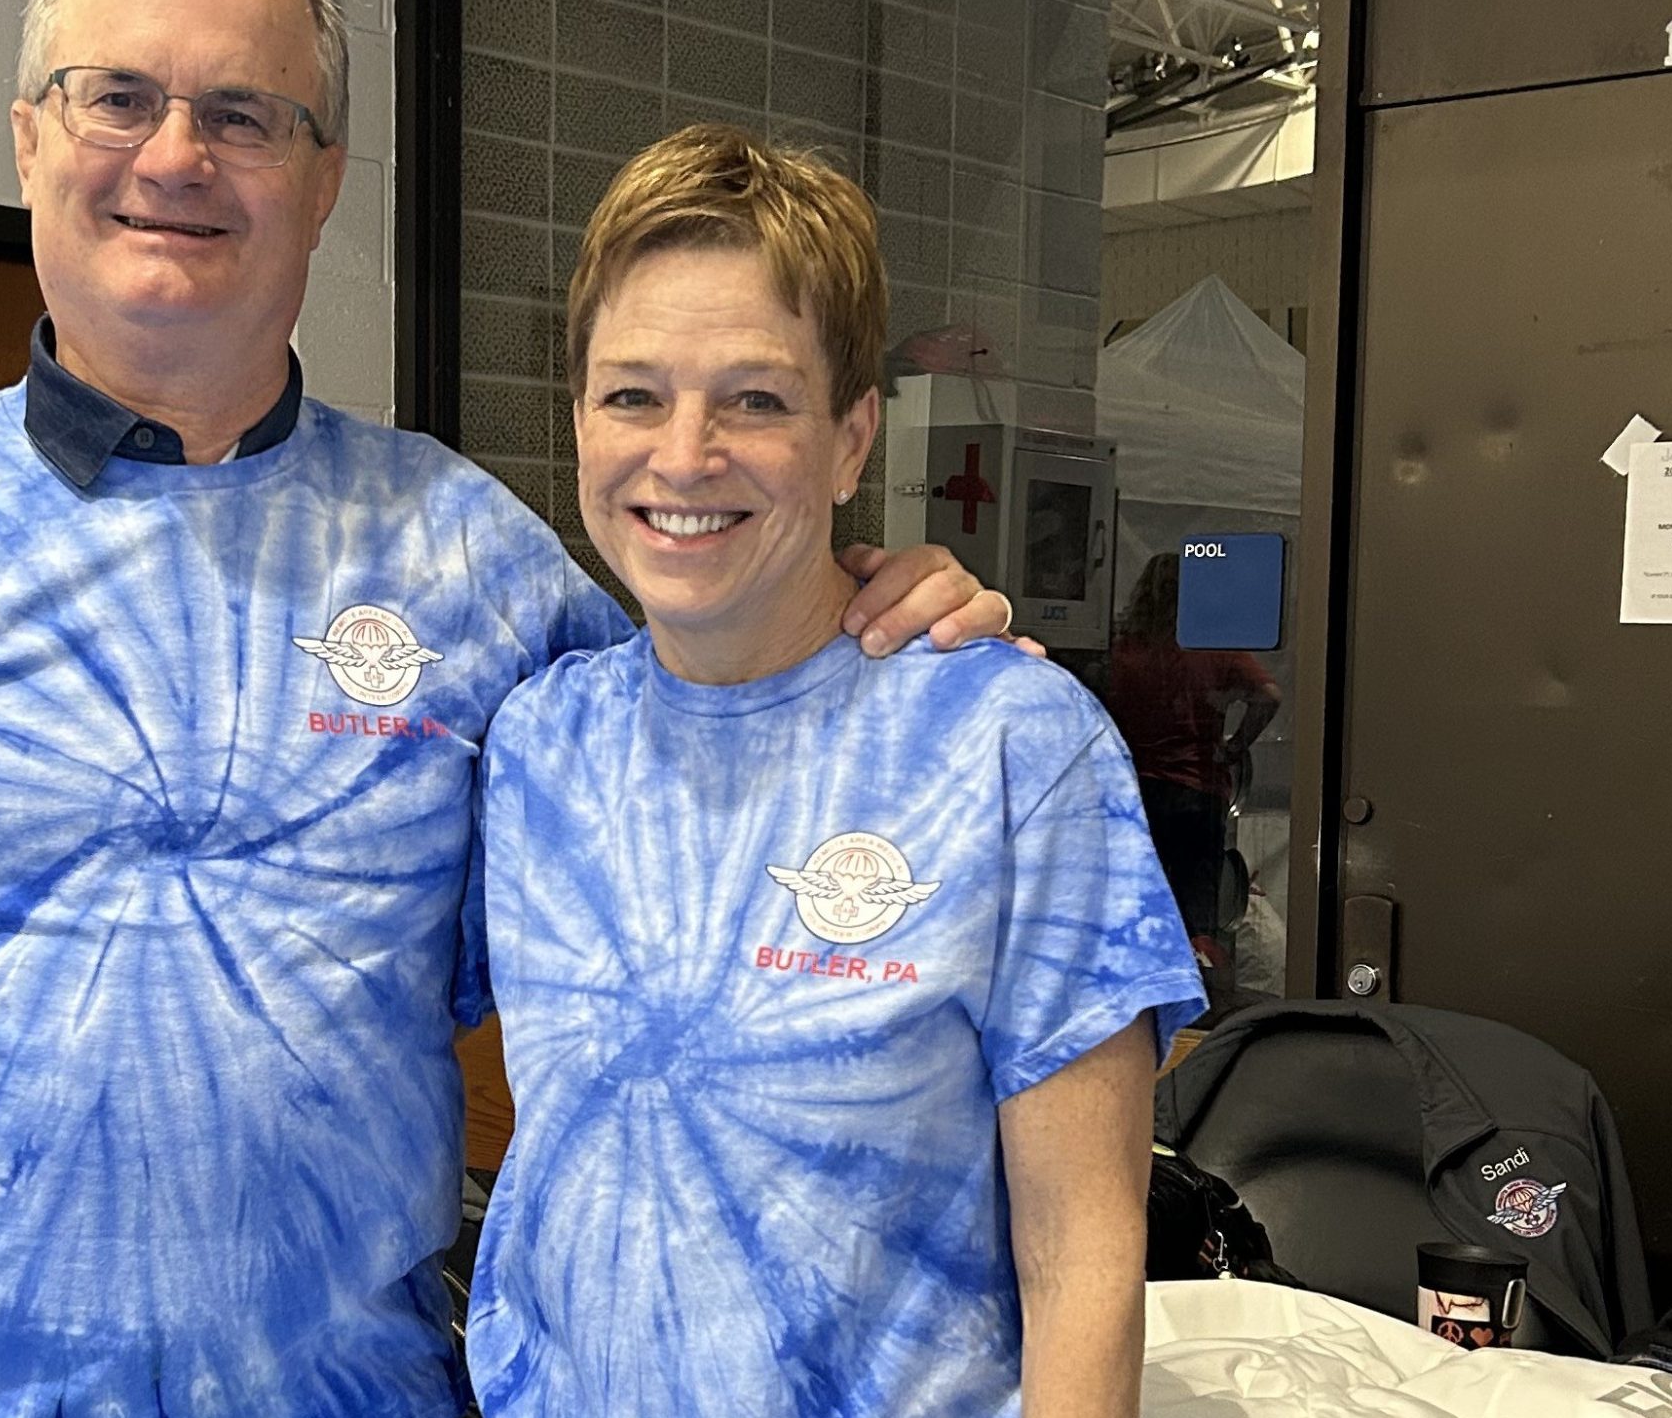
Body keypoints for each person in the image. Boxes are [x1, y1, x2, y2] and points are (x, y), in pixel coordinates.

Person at [0, 0, 1015, 1418]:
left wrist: (872, 601)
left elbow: (739, 754)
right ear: (29, 137)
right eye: (118, 96)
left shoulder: (476, 567)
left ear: (325, 180)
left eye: (246, 115)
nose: (176, 157)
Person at [463, 125, 1207, 1418]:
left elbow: (1086, 1254)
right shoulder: (537, 743)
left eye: (755, 398)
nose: (683, 454)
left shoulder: (1010, 748)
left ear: (853, 437)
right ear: (577, 418)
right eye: (632, 392)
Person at [1103, 552, 1282, 988]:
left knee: (1139, 900)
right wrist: (1236, 746)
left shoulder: (1124, 651)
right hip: (1198, 789)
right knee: (1199, 913)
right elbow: (1269, 695)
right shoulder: (1213, 646)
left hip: (1136, 791)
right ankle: (1203, 1002)